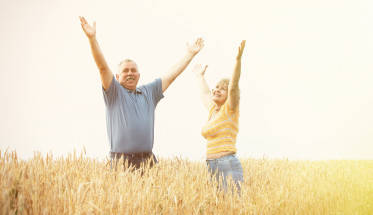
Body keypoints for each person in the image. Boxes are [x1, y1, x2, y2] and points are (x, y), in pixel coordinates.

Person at [79, 16, 204, 170]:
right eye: (125, 71)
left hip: (148, 160)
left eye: (133, 70)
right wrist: (92, 38)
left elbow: (171, 76)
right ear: (117, 77)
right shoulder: (113, 92)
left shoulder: (149, 92)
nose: (130, 73)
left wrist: (190, 55)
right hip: (121, 162)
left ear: (139, 75)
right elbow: (102, 67)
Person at [193, 40, 245, 193]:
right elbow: (205, 93)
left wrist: (237, 61)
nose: (216, 90)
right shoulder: (213, 111)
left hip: (227, 164)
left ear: (229, 95)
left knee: (232, 207)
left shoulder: (229, 110)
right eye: (216, 87)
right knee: (218, 207)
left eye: (223, 89)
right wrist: (200, 77)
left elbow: (234, 85)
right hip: (211, 165)